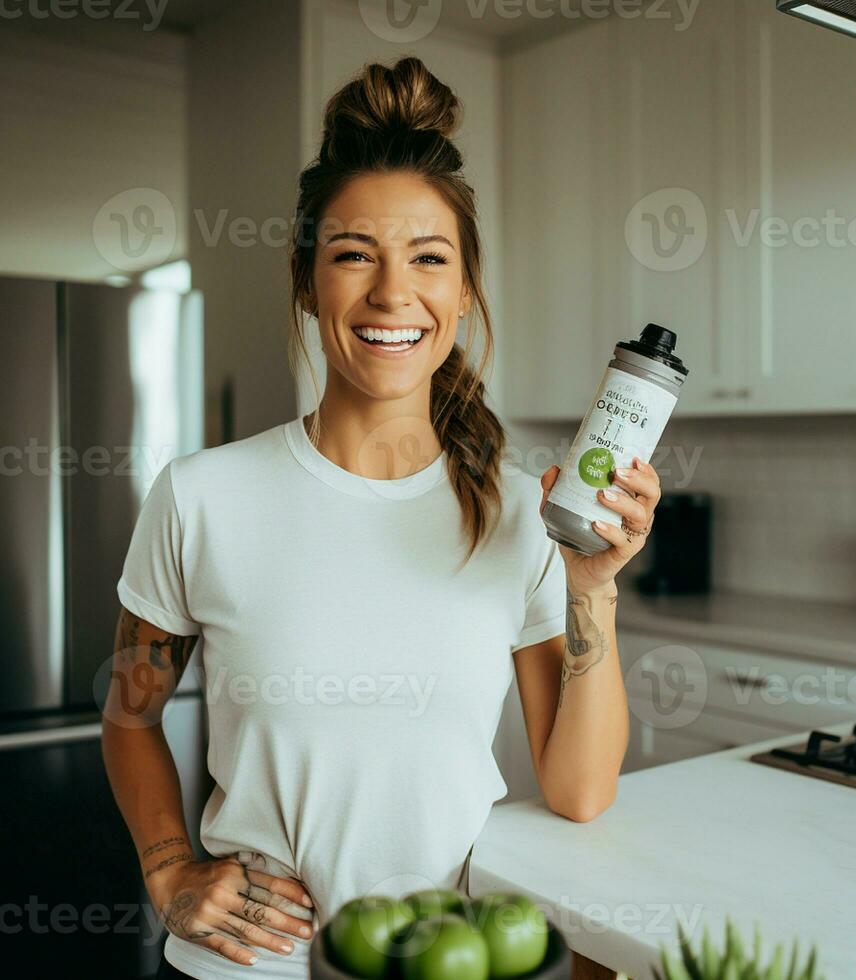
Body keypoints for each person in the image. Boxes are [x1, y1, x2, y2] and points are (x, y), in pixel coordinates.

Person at [101, 56, 661, 980]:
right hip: (252, 966)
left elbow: (580, 791)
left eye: (429, 258)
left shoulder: (521, 510)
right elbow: (129, 719)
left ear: (466, 291)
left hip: (449, 960)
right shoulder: (201, 497)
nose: (393, 292)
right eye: (355, 253)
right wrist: (169, 870)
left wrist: (592, 590)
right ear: (307, 279)